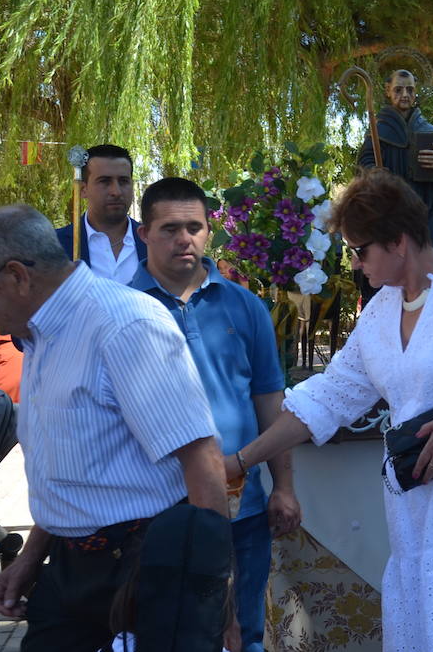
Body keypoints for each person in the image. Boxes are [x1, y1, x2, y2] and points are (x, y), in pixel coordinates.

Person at [223, 167, 433, 652]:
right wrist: (240, 461)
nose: (354, 263)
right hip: (425, 499)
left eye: (359, 250)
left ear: (399, 242)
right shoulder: (381, 312)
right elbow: (326, 399)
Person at [0, 204, 231, 651]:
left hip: (146, 566)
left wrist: (213, 595)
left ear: (17, 276)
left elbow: (201, 460)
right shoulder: (42, 334)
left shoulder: (124, 325)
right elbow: (74, 474)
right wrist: (30, 559)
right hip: (68, 567)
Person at [132, 177, 303, 651]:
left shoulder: (246, 307)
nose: (183, 238)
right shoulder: (124, 310)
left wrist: (283, 487)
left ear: (210, 231)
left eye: (194, 226)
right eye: (169, 228)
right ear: (144, 234)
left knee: (242, 634)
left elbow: (270, 401)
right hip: (155, 510)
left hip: (241, 511)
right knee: (164, 633)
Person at [357, 69, 433, 251]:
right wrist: (375, 173)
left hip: (427, 214)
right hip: (392, 212)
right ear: (387, 90)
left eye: (410, 90)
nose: (405, 95)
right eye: (398, 90)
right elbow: (365, 163)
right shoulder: (378, 132)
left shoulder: (429, 130)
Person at [54, 143, 148, 282]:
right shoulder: (56, 246)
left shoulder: (152, 242)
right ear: (83, 189)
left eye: (123, 181)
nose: (116, 191)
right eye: (105, 181)